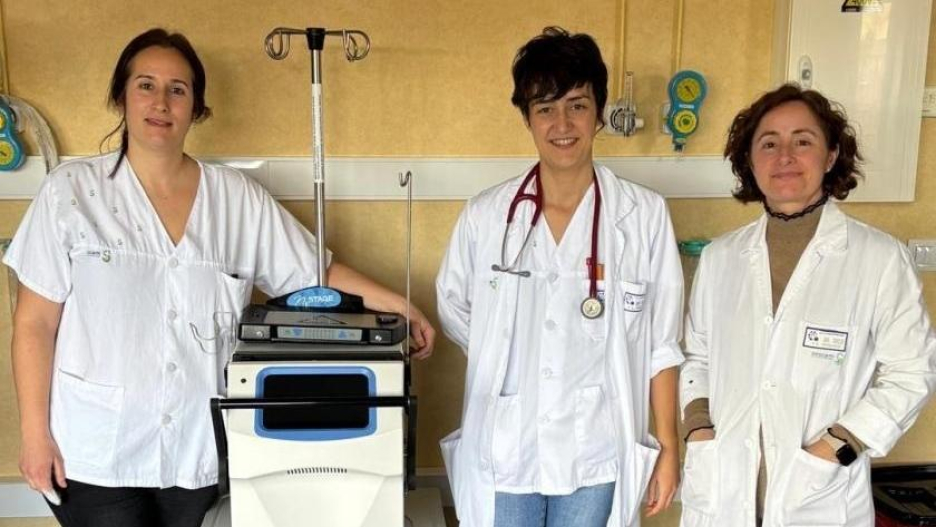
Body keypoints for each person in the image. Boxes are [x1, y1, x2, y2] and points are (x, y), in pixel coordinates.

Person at [5, 28, 435, 527]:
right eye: (145, 85)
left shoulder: (236, 199)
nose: (161, 102)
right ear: (120, 95)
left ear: (196, 107)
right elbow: (34, 323)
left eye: (178, 89)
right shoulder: (72, 192)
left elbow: (316, 269)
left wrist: (401, 304)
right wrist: (35, 435)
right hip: (97, 448)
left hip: (198, 450)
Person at [436, 27, 683, 527]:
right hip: (507, 443)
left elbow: (661, 342)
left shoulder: (643, 216)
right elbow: (455, 305)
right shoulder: (487, 216)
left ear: (599, 114)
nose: (562, 123)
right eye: (545, 107)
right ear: (526, 117)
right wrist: (509, 353)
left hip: (596, 444)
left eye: (577, 104)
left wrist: (668, 446)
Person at [679, 83, 936, 527]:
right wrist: (699, 428)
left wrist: (837, 445)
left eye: (803, 140)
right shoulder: (721, 257)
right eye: (769, 143)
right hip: (721, 491)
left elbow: (911, 372)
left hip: (818, 495)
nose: (785, 156)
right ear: (750, 160)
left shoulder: (877, 258)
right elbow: (696, 357)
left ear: (831, 155)